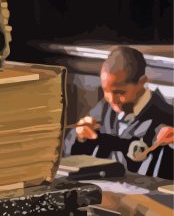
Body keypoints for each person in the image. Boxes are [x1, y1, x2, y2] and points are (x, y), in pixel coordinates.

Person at [64, 46, 174, 179]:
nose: (112, 100)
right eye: (106, 91)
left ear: (142, 82)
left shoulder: (166, 118)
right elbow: (69, 155)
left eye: (119, 92)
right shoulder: (105, 109)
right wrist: (79, 137)